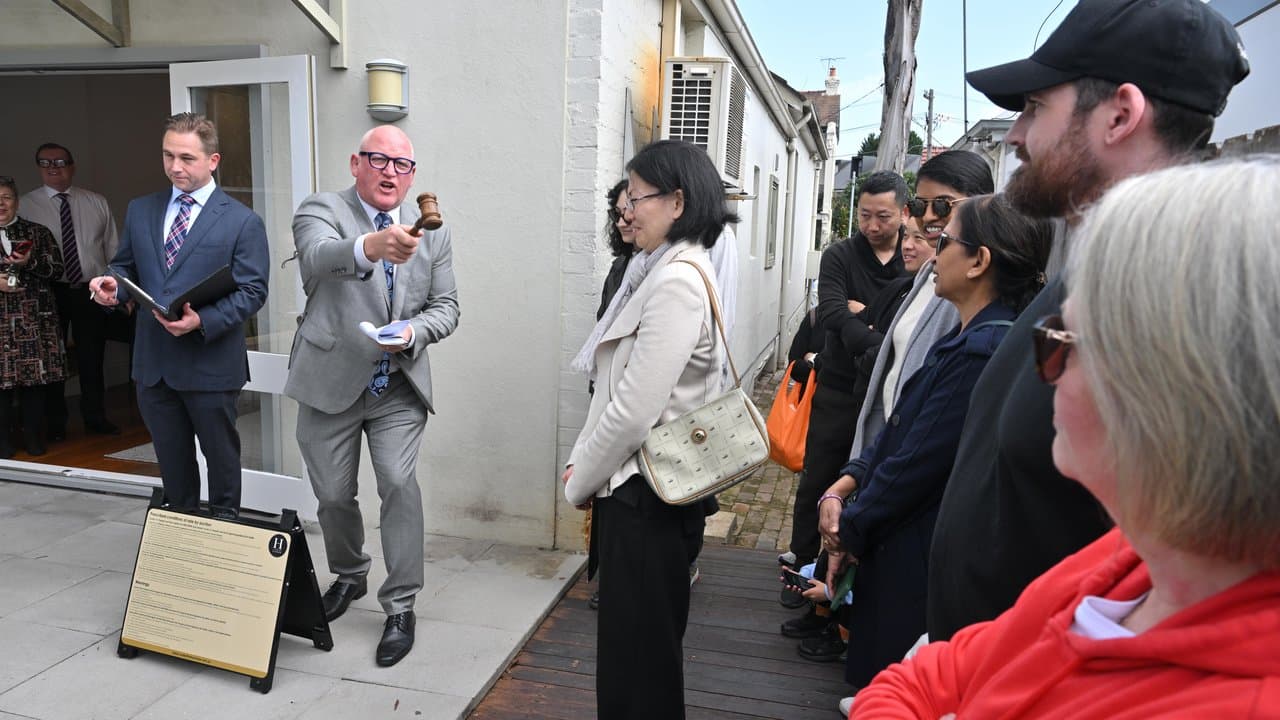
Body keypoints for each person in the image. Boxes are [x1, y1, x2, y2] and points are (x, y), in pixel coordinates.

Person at [852, 157, 1280, 720]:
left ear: (1185, 389)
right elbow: (921, 679)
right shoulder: (1122, 567)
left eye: (1063, 340)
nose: (1043, 375)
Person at [926, 0, 1251, 643]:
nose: (1015, 135)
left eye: (1034, 107)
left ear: (1121, 115)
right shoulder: (1097, 268)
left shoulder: (1180, 306)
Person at [819, 195, 1050, 690]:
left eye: (945, 241)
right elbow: (901, 431)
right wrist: (847, 482)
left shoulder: (980, 355)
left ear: (979, 262)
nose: (932, 249)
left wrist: (848, 530)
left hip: (915, 559)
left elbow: (915, 464)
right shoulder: (969, 340)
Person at [563, 139, 737, 719]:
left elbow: (634, 410)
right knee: (639, 660)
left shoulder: (675, 283)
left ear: (678, 202)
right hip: (645, 493)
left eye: (636, 198)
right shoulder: (657, 272)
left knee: (639, 669)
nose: (626, 210)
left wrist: (579, 479)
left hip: (647, 500)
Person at [285, 125, 459, 668]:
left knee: (398, 483)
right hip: (329, 382)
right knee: (334, 494)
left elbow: (447, 306)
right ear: (356, 163)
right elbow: (318, 258)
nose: (390, 172)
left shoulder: (435, 233)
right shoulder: (322, 208)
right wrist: (373, 245)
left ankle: (401, 604)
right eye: (379, 160)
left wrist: (414, 332)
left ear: (412, 177)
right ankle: (350, 574)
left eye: (403, 165)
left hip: (396, 387)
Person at [89, 113, 269, 515]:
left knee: (222, 465)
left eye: (187, 158)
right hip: (154, 366)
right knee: (173, 469)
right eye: (168, 155)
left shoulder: (242, 221)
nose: (175, 167)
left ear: (213, 160)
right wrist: (112, 287)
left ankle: (223, 539)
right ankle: (180, 545)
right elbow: (125, 267)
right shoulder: (142, 209)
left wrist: (202, 321)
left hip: (210, 364)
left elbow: (254, 291)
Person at [783, 171, 908, 608]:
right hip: (838, 385)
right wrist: (886, 338)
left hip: (889, 391)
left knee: (868, 482)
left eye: (883, 217)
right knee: (819, 476)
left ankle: (839, 579)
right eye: (864, 215)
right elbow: (834, 312)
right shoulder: (839, 255)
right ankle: (798, 565)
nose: (872, 226)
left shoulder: (912, 256)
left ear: (903, 213)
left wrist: (865, 315)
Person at [849, 150, 995, 462]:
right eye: (918, 206)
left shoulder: (977, 287)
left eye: (942, 204)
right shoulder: (928, 273)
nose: (928, 216)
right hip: (889, 446)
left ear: (982, 204)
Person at [19, 143, 121, 439]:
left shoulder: (96, 202)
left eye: (61, 161)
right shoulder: (26, 205)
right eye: (46, 162)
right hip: (48, 292)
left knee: (92, 356)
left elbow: (113, 250)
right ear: (38, 167)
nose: (53, 167)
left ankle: (95, 418)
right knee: (53, 359)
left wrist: (118, 289)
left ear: (72, 166)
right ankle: (55, 425)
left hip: (91, 290)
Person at [0, 176, 66, 458]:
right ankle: (3, 443)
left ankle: (34, 439)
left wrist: (31, 263)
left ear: (17, 201)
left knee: (34, 383)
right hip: (2, 323)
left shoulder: (37, 233)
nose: (1, 204)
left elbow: (58, 270)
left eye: (6, 197)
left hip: (33, 319)